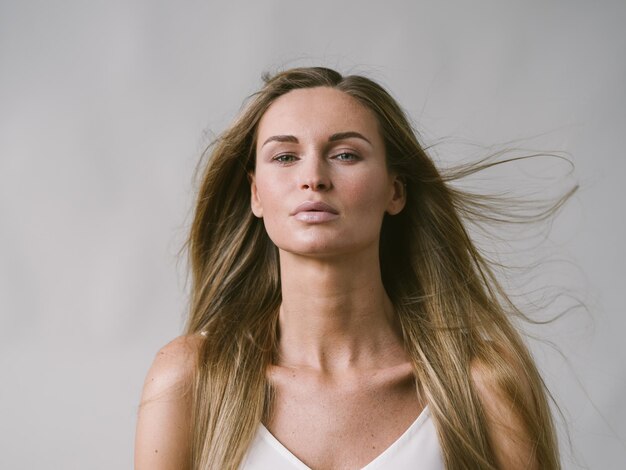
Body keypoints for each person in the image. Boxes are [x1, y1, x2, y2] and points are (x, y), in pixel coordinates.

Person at [135, 67, 569, 469]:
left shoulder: (480, 382)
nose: (313, 178)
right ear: (256, 195)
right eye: (285, 157)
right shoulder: (189, 379)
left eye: (344, 155)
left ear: (395, 191)